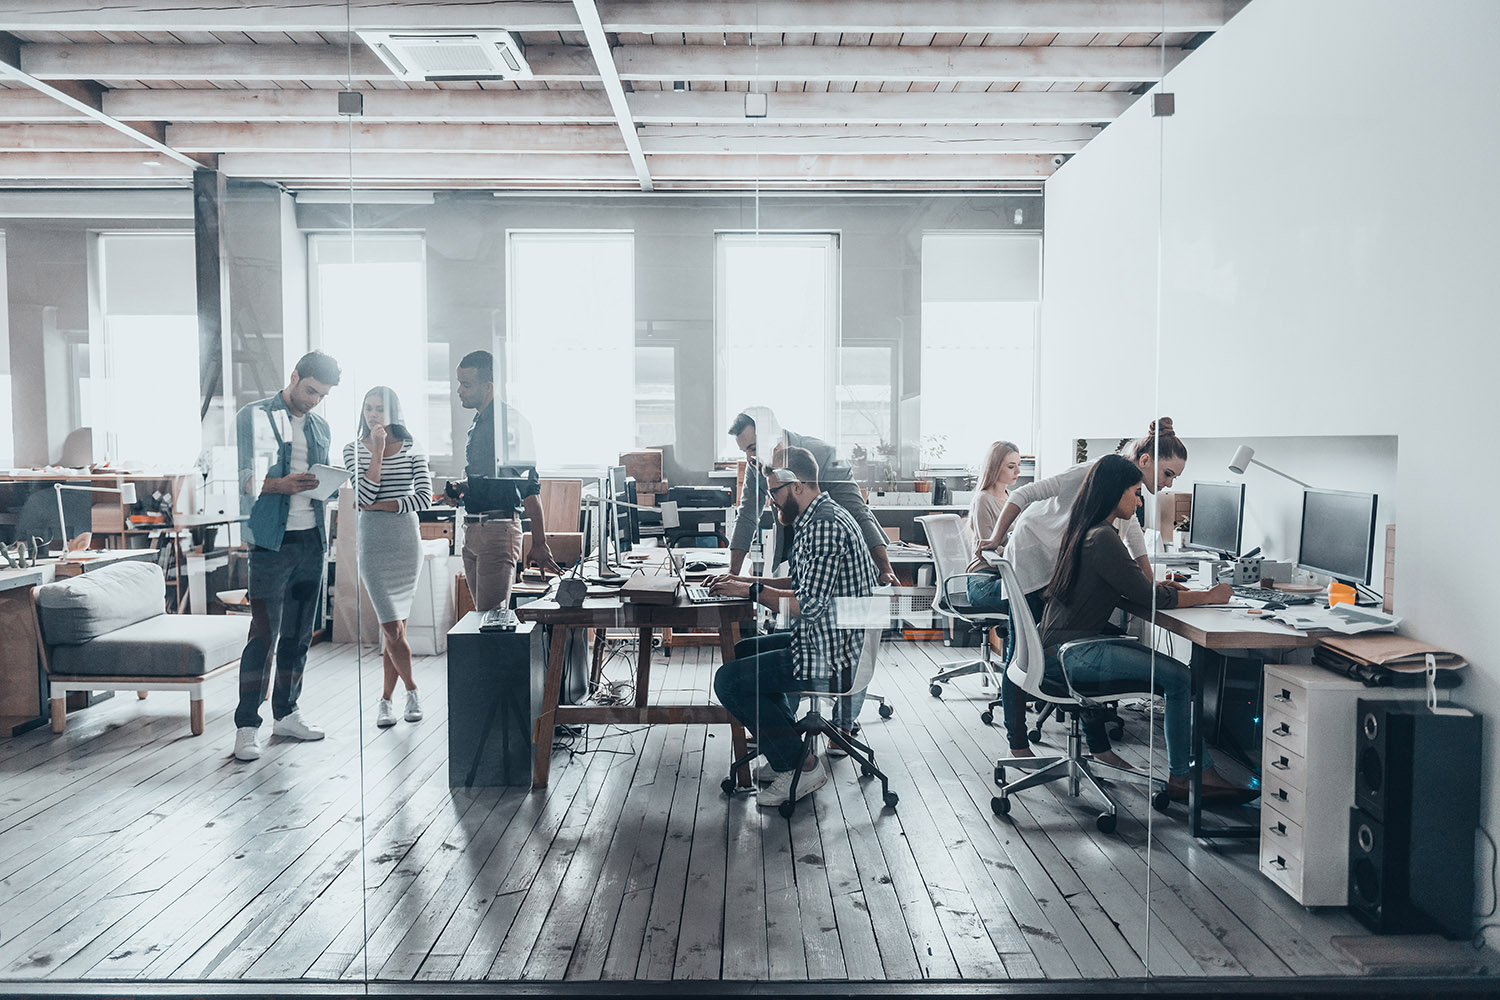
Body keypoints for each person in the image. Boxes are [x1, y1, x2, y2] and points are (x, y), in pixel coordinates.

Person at [1038, 454, 1254, 803]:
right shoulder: (1102, 537)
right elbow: (1150, 598)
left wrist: (1173, 590)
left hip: (1060, 649)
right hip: (1075, 654)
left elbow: (1140, 587)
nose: (1139, 502)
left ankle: (1198, 771)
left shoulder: (1089, 530)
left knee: (1175, 675)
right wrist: (1210, 595)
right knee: (1179, 678)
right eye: (1136, 493)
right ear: (1115, 494)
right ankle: (1187, 777)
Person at [983, 417, 1188, 766]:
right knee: (1024, 654)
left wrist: (1148, 583)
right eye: (1167, 473)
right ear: (1145, 461)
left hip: (1063, 564)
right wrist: (996, 538)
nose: (1168, 484)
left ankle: (1099, 747)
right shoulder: (1095, 472)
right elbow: (1023, 493)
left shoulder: (1125, 490)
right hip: (1034, 558)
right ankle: (1018, 744)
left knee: (1082, 640)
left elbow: (1134, 535)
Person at [710, 447, 879, 809]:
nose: (770, 501)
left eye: (774, 492)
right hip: (833, 639)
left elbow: (806, 606)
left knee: (729, 680)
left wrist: (751, 591)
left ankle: (800, 764)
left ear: (798, 486)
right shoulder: (819, 516)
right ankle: (788, 749)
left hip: (835, 655)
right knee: (743, 652)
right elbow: (803, 584)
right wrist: (742, 581)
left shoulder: (823, 526)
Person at [232, 351, 341, 763]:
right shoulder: (253, 416)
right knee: (263, 637)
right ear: (294, 377)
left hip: (311, 541)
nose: (314, 400)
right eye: (311, 390)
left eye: (322, 395)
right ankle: (246, 726)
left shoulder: (320, 426)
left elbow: (319, 482)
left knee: (298, 637)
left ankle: (287, 713)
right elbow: (240, 478)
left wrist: (325, 486)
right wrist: (283, 485)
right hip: (269, 545)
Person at [726, 407, 898, 586]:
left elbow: (858, 513)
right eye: (744, 451)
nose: (749, 458)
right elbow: (747, 516)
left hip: (834, 549)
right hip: (796, 549)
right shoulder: (756, 463)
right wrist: (732, 575)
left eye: (753, 448)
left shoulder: (824, 455)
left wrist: (886, 570)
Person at [343, 386, 432, 729]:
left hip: (405, 543)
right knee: (393, 628)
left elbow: (424, 498)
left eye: (380, 409)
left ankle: (385, 701)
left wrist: (379, 506)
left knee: (395, 632)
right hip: (374, 545)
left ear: (394, 412)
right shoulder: (352, 449)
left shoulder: (413, 448)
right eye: (368, 408)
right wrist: (377, 451)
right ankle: (412, 690)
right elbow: (362, 492)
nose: (373, 415)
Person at [446, 350, 562, 612]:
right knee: (482, 620)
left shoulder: (511, 424)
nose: (459, 391)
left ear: (488, 386)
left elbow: (529, 487)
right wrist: (460, 489)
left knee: (491, 621)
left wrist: (540, 542)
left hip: (497, 531)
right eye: (458, 383)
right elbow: (488, 480)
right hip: (473, 530)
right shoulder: (478, 424)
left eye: (466, 384)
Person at [963, 440, 1022, 612]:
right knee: (1030, 596)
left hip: (1004, 575)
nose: (1018, 471)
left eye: (1019, 465)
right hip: (983, 582)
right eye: (1011, 466)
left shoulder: (1011, 497)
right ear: (995, 467)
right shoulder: (984, 499)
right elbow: (987, 552)